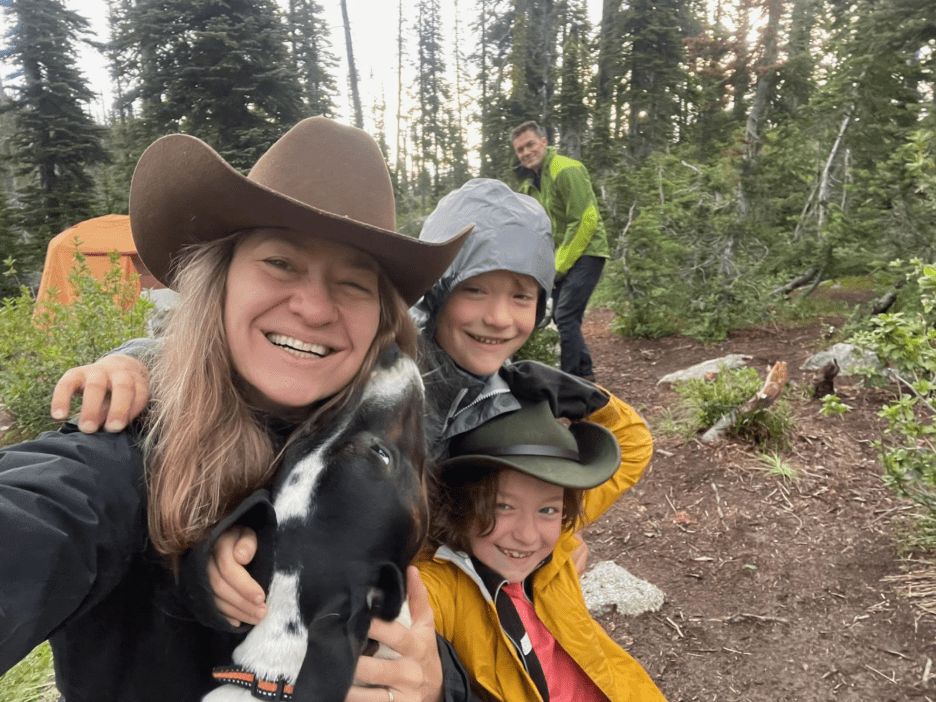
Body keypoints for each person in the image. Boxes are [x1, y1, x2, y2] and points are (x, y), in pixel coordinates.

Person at [50, 178, 653, 657]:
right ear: (437, 292)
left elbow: (628, 449)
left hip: (425, 596)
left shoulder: (508, 397)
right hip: (320, 591)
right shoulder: (384, 361)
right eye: (477, 291)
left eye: (522, 297)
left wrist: (554, 531)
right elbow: (247, 372)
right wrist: (134, 360)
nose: (499, 317)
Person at [0, 116, 475, 702]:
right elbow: (41, 516)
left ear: (381, 319)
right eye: (281, 263)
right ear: (218, 281)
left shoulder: (383, 461)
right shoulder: (124, 458)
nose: (315, 308)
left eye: (353, 284)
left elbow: (404, 620)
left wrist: (438, 686)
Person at [419, 400, 667, 702]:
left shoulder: (558, 538)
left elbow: (632, 444)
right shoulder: (436, 587)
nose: (527, 536)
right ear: (460, 504)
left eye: (548, 509)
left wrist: (579, 397)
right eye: (503, 507)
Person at [511, 121, 610, 382]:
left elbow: (586, 220)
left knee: (565, 316)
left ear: (544, 142)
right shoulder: (531, 185)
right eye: (520, 149)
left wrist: (559, 267)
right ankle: (585, 375)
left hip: (588, 251)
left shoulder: (565, 170)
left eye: (530, 144)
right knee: (562, 315)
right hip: (563, 256)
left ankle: (568, 383)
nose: (525, 152)